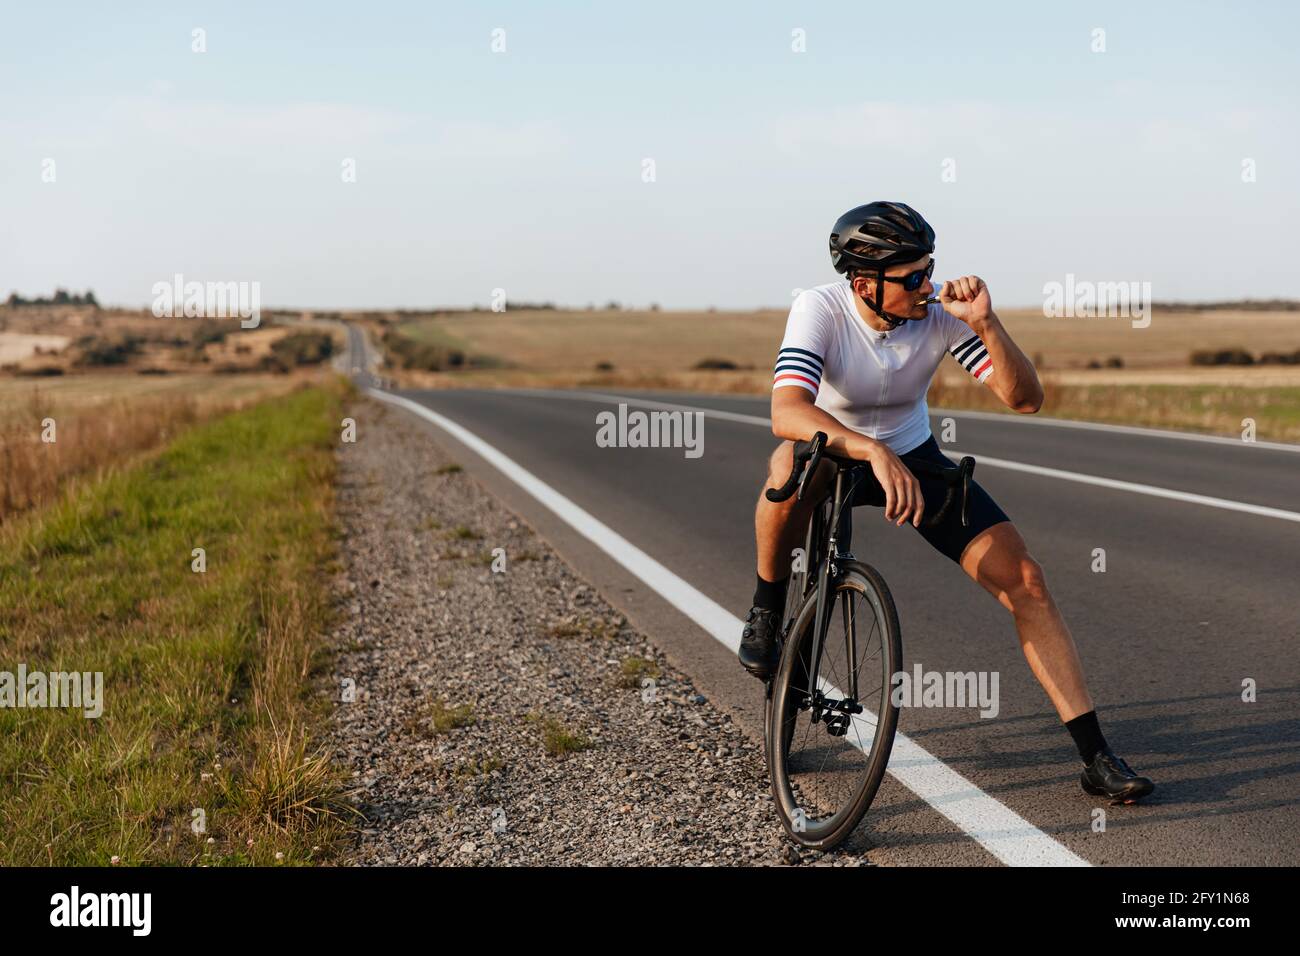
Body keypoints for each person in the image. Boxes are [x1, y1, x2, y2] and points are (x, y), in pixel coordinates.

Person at [739, 201, 1154, 803]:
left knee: (1028, 582)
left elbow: (1026, 399)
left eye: (928, 270)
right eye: (911, 278)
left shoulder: (940, 314)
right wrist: (868, 451)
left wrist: (985, 324)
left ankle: (1096, 757)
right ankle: (767, 606)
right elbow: (787, 411)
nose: (926, 286)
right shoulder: (819, 309)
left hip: (914, 454)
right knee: (787, 467)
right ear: (864, 284)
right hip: (833, 448)